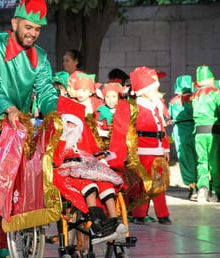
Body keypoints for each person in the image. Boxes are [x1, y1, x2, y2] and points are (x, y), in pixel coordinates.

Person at [0, 0, 59, 258]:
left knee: (13, 186)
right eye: (28, 27)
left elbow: (45, 90)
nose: (32, 33)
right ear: (14, 23)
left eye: (38, 29)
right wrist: (8, 109)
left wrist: (54, 114)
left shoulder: (40, 57)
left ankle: (4, 243)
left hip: (17, 126)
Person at [53, 96, 127, 245]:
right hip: (66, 172)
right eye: (66, 123)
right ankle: (98, 224)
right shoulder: (58, 140)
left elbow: (93, 152)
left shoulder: (80, 142)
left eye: (72, 124)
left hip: (85, 168)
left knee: (106, 184)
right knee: (90, 187)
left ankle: (115, 223)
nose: (68, 127)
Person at [129, 66, 172, 225]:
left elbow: (162, 129)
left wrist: (166, 148)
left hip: (158, 150)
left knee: (159, 182)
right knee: (143, 183)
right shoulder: (136, 108)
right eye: (153, 87)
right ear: (144, 90)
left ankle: (163, 214)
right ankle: (139, 214)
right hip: (142, 151)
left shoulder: (157, 106)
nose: (157, 89)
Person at [191, 65, 220, 203]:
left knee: (201, 162)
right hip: (213, 133)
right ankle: (217, 192)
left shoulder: (194, 96)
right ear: (210, 79)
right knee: (215, 162)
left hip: (199, 133)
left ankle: (202, 188)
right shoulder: (217, 94)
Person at [168, 75, 198, 200]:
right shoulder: (196, 98)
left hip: (180, 132)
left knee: (186, 160)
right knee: (200, 159)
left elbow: (168, 117)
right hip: (196, 130)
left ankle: (192, 188)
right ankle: (205, 186)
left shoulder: (173, 102)